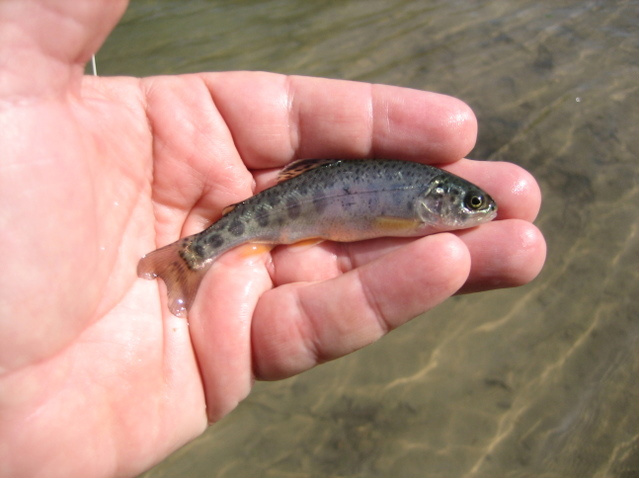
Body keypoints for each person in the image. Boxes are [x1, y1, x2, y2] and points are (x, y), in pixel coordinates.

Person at [0, 1, 546, 477]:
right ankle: (192, 258)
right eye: (472, 204)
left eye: (474, 205)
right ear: (439, 200)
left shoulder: (422, 203)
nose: (478, 211)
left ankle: (195, 257)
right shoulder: (417, 209)